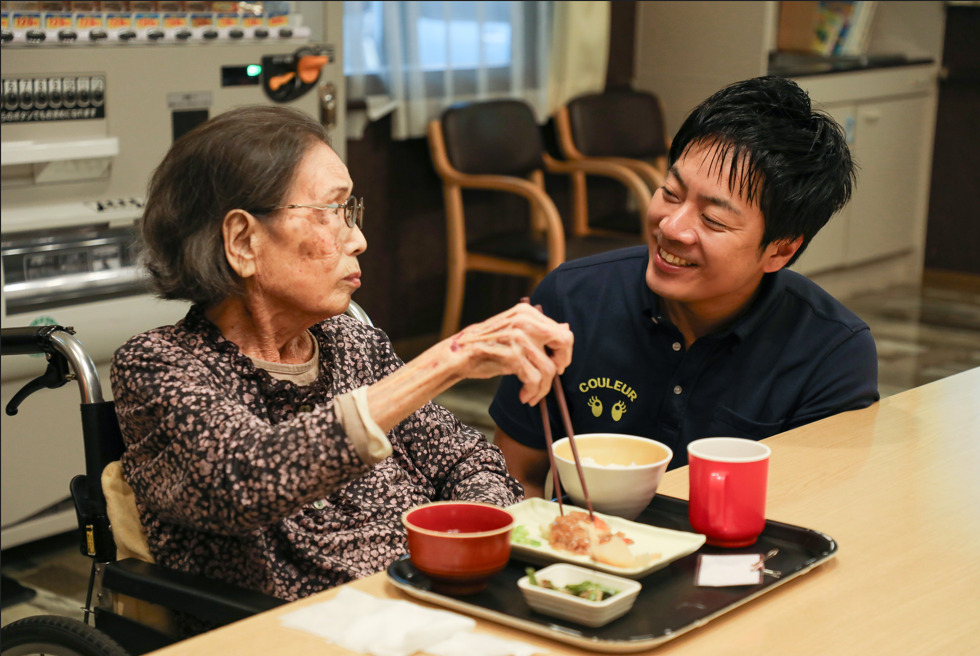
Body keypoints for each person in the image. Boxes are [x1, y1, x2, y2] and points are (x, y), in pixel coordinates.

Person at [110, 105, 573, 604]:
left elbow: (466, 458)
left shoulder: (353, 344)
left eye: (351, 212)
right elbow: (249, 478)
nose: (359, 239)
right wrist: (447, 361)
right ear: (243, 241)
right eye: (332, 213)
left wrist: (465, 547)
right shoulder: (160, 365)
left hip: (430, 601)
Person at [489, 76, 880, 499]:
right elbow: (514, 477)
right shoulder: (572, 300)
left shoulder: (832, 353)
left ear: (780, 251)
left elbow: (817, 506)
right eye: (671, 193)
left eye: (713, 219)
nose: (671, 228)